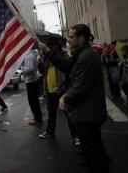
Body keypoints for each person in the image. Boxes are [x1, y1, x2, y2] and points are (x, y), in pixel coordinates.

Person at [41, 24, 108, 173]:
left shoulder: (87, 56)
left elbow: (81, 85)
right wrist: (49, 52)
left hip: (88, 113)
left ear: (81, 38)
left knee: (95, 153)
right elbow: (66, 65)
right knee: (91, 151)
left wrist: (65, 98)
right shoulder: (80, 53)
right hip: (84, 112)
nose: (68, 40)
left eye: (71, 37)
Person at [38, 36, 78, 145]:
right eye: (49, 45)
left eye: (52, 45)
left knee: (68, 114)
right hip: (50, 90)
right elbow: (42, 72)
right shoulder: (46, 57)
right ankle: (50, 132)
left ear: (57, 46)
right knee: (51, 114)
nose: (50, 47)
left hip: (62, 90)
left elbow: (66, 67)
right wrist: (40, 65)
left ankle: (76, 136)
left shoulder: (63, 55)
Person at [21, 47, 42, 125]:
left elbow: (30, 69)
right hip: (32, 81)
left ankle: (37, 119)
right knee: (34, 101)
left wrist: (22, 68)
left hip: (31, 81)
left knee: (33, 101)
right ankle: (37, 118)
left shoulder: (29, 56)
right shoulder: (32, 55)